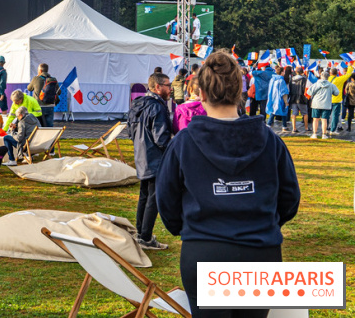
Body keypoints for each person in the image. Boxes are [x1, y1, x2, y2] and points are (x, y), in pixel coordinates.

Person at [156, 50, 301, 318]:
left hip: (205, 250)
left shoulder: (183, 143)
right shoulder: (271, 141)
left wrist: (190, 228)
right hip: (260, 251)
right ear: (240, 92)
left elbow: (165, 200)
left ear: (200, 93)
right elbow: (289, 198)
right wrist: (263, 223)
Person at [126, 72, 172, 251]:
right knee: (154, 198)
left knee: (145, 195)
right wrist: (175, 149)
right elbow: (161, 138)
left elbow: (130, 132)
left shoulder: (138, 103)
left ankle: (141, 233)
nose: (170, 89)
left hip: (141, 155)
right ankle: (145, 237)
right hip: (155, 158)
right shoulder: (157, 107)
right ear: (158, 87)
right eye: (168, 85)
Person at [307, 70, 339, 138]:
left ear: (321, 76)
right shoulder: (331, 85)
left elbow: (309, 92)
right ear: (328, 77)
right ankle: (324, 135)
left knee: (315, 119)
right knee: (324, 120)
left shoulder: (316, 84)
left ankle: (314, 134)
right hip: (326, 104)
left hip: (316, 104)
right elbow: (337, 93)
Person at [27, 63, 60, 127]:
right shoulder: (53, 79)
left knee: (39, 126)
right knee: (49, 126)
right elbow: (59, 92)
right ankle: (50, 137)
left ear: (40, 71)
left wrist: (36, 78)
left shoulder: (36, 78)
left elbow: (29, 88)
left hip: (39, 106)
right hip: (50, 105)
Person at [328, 63, 354, 132]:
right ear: (337, 73)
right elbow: (348, 75)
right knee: (335, 115)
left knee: (329, 115)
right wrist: (350, 66)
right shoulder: (339, 79)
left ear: (330, 73)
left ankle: (328, 127)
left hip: (328, 100)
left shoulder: (327, 79)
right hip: (337, 100)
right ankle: (333, 129)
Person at [265, 65, 290, 133]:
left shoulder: (272, 79)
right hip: (279, 99)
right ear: (282, 72)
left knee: (273, 111)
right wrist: (286, 101)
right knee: (283, 111)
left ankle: (269, 125)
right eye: (283, 72)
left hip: (272, 98)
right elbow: (284, 92)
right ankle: (283, 126)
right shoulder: (281, 80)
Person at [288, 66, 309, 133]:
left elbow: (290, 88)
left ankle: (294, 128)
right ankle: (306, 128)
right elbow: (304, 89)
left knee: (294, 113)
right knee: (305, 113)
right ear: (302, 72)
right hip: (301, 98)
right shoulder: (304, 79)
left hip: (293, 98)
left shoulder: (292, 79)